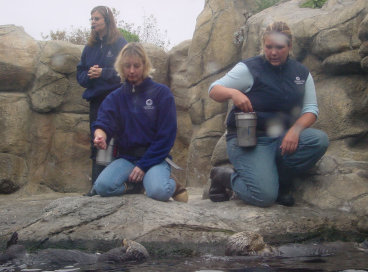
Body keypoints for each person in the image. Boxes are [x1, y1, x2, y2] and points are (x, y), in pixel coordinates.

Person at [208, 21, 329, 207]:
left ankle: (279, 181)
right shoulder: (249, 68)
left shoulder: (301, 73)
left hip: (282, 137)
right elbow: (214, 90)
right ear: (263, 45)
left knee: (318, 140)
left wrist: (296, 130)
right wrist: (233, 93)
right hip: (250, 139)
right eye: (269, 47)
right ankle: (224, 176)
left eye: (280, 47)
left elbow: (311, 109)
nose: (273, 52)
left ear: (289, 46)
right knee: (264, 196)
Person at [91, 42, 188, 202]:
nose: (131, 70)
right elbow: (103, 123)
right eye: (127, 66)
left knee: (158, 191)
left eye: (136, 65)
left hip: (156, 157)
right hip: (127, 157)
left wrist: (143, 166)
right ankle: (136, 186)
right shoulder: (115, 97)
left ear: (145, 65)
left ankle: (172, 185)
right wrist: (99, 136)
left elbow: (166, 137)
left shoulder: (162, 94)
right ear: (121, 67)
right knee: (102, 187)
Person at [76, 6, 127, 195]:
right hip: (96, 102)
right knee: (96, 142)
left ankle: (112, 184)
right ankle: (96, 187)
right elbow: (80, 73)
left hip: (115, 101)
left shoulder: (119, 43)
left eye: (96, 18)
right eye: (91, 18)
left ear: (107, 20)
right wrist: (89, 75)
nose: (93, 22)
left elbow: (126, 72)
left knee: (114, 143)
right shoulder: (89, 47)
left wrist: (103, 73)